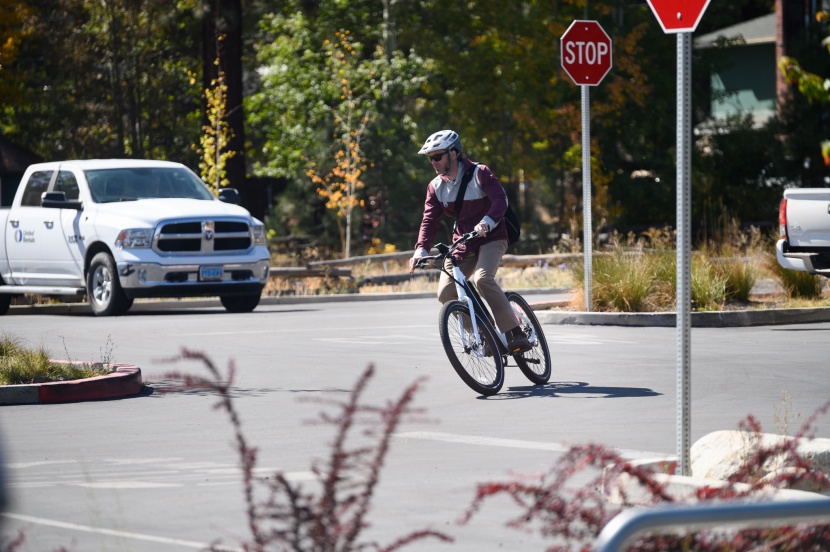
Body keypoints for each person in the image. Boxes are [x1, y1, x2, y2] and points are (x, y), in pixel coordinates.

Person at [408, 129, 532, 353]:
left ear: (453, 153)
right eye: (430, 158)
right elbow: (429, 221)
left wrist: (486, 222)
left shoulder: (479, 173)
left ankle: (516, 332)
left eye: (438, 156)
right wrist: (421, 250)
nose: (433, 162)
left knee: (482, 279)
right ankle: (486, 334)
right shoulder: (435, 187)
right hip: (463, 243)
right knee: (446, 293)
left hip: (492, 236)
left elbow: (500, 200)